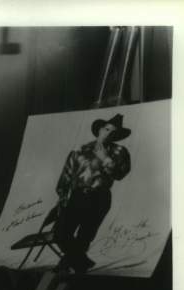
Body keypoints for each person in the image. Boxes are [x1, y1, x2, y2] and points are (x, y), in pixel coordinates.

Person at [50, 113, 132, 273]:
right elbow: (66, 176)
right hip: (77, 196)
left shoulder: (120, 151)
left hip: (99, 198)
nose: (109, 133)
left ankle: (67, 268)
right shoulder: (80, 150)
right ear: (100, 130)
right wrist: (62, 199)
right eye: (106, 129)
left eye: (113, 132)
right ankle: (81, 263)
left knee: (84, 237)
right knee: (60, 233)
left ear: (117, 136)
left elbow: (120, 174)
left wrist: (106, 159)